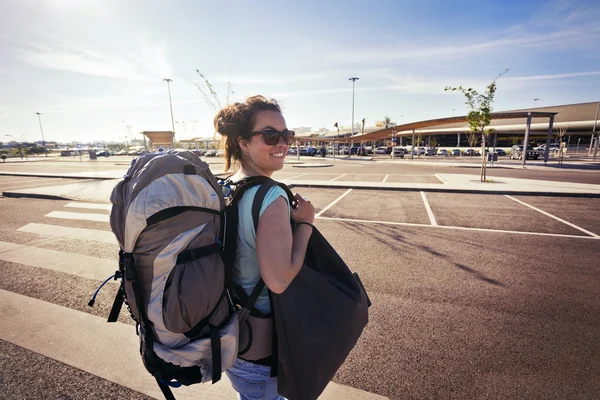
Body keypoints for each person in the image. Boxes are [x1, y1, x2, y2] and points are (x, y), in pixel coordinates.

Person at [214, 95, 315, 400]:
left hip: (233, 331)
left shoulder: (228, 185)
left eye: (287, 135)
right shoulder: (271, 196)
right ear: (243, 143)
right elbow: (279, 279)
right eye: (270, 135)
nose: (282, 143)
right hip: (261, 344)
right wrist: (307, 224)